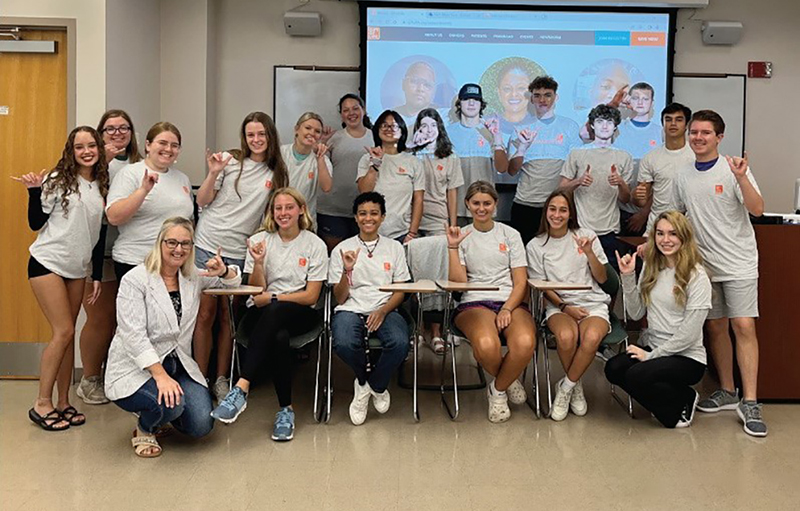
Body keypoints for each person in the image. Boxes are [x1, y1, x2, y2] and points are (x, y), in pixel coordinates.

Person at [105, 217, 241, 457]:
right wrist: (160, 377)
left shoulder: (191, 277)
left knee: (201, 425)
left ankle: (164, 412)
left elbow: (233, 282)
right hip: (139, 367)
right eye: (172, 242)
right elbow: (133, 336)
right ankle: (145, 427)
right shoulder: (135, 280)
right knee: (172, 403)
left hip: (178, 363)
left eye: (186, 244)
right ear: (160, 243)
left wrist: (225, 270)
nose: (179, 249)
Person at [674, 110, 767, 437]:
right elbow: (676, 217)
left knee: (743, 325)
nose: (698, 138)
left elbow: (757, 209)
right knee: (715, 327)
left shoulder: (734, 169)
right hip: (702, 266)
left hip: (739, 262)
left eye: (705, 133)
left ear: (719, 137)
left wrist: (742, 177)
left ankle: (750, 400)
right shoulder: (683, 175)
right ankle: (727, 390)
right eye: (694, 132)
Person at [210, 188, 327, 441]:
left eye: (289, 207)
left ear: (301, 210)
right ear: (272, 213)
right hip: (262, 314)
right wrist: (260, 262)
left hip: (300, 314)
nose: (283, 213)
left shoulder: (314, 244)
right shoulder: (260, 241)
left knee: (277, 311)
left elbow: (311, 297)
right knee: (278, 336)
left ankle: (241, 387)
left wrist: (275, 297)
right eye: (278, 208)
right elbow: (255, 290)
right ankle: (286, 410)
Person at [14, 126, 108, 431]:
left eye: (91, 145)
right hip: (47, 263)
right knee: (64, 331)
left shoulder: (101, 185)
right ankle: (42, 403)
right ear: (71, 151)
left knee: (67, 337)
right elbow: (35, 223)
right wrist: (33, 191)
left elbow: (98, 233)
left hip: (77, 268)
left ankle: (64, 401)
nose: (86, 151)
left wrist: (93, 273)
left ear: (98, 149)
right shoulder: (58, 180)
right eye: (79, 147)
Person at [193, 112, 288, 400]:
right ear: (244, 138)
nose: (256, 140)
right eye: (250, 135)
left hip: (238, 253)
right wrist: (212, 173)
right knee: (205, 314)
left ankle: (222, 378)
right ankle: (198, 380)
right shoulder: (230, 162)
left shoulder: (277, 172)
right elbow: (202, 200)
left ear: (270, 136)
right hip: (208, 244)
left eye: (262, 134)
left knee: (229, 317)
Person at [605, 211, 711, 428]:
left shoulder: (697, 276)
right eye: (660, 233)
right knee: (613, 368)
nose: (666, 240)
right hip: (654, 347)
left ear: (684, 237)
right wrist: (627, 276)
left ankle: (683, 399)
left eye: (673, 234)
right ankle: (676, 398)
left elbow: (689, 336)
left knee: (636, 376)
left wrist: (651, 356)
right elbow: (635, 313)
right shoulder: (652, 267)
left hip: (687, 356)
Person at [447, 181, 536, 423]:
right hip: (474, 303)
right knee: (487, 345)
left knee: (526, 342)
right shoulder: (462, 235)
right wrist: (453, 248)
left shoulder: (511, 235)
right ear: (467, 204)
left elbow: (520, 283)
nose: (481, 208)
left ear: (495, 205)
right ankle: (507, 381)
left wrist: (507, 308)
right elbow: (458, 282)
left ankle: (496, 389)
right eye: (476, 203)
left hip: (510, 301)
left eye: (487, 203)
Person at [77, 110, 142, 405]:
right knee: (100, 319)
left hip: (130, 252)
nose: (117, 133)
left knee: (123, 319)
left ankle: (114, 376)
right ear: (100, 134)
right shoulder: (93, 166)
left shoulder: (140, 165)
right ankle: (89, 379)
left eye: (123, 127)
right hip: (98, 253)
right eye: (110, 128)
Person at [526, 191, 610, 421]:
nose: (557, 214)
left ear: (570, 213)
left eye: (563, 209)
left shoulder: (586, 235)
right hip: (559, 306)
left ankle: (566, 387)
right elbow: (541, 287)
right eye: (552, 209)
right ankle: (577, 385)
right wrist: (565, 308)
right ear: (546, 212)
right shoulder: (536, 245)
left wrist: (590, 252)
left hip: (592, 303)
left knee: (592, 338)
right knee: (565, 337)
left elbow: (603, 278)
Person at [329, 192, 411, 426]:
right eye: (363, 213)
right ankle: (366, 382)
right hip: (350, 309)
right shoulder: (343, 249)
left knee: (400, 343)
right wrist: (348, 270)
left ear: (382, 217)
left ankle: (373, 385)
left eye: (374, 213)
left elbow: (401, 291)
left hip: (386, 309)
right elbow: (340, 297)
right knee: (344, 342)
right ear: (355, 218)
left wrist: (383, 311)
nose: (368, 218)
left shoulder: (394, 248)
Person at [106, 122, 194, 280]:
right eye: (162, 143)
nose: (168, 149)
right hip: (136, 261)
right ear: (148, 145)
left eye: (174, 145)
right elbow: (114, 217)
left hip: (172, 265)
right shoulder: (130, 173)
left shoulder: (182, 179)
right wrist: (143, 190)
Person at [408, 108, 464, 354]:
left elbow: (452, 192)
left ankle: (437, 331)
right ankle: (416, 329)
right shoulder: (410, 154)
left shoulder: (450, 156)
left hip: (437, 222)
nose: (427, 130)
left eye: (432, 125)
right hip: (410, 222)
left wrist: (451, 223)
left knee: (436, 279)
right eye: (423, 125)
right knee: (412, 278)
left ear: (440, 128)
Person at [506, 76, 581, 244]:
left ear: (556, 97)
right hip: (525, 204)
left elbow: (576, 167)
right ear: (531, 99)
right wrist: (522, 149)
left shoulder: (569, 127)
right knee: (523, 255)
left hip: (557, 206)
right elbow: (511, 170)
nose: (542, 99)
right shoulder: (520, 129)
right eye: (537, 95)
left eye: (547, 95)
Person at [559, 104, 633, 271]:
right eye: (600, 121)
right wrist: (578, 181)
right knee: (576, 274)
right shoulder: (577, 153)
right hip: (580, 228)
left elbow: (626, 199)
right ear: (592, 125)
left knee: (609, 277)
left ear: (615, 126)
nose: (605, 126)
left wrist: (620, 183)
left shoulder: (624, 156)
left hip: (610, 230)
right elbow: (561, 189)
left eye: (609, 122)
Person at [356, 110, 424, 243]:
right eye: (384, 125)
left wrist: (412, 233)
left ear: (402, 131)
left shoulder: (413, 162)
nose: (389, 129)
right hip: (371, 231)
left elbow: (418, 200)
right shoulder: (366, 159)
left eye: (394, 125)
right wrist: (375, 164)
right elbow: (364, 192)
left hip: (402, 233)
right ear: (377, 130)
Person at [317, 94, 374, 252]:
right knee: (335, 257)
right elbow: (321, 167)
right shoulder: (334, 138)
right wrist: (322, 142)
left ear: (363, 110)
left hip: (364, 211)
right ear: (341, 114)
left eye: (355, 108)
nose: (351, 113)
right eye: (346, 110)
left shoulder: (375, 137)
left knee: (360, 259)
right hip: (332, 210)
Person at [447, 83, 509, 222]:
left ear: (481, 104)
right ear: (459, 104)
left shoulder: (491, 131)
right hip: (456, 209)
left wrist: (497, 137)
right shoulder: (447, 133)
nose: (471, 103)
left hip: (484, 208)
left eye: (476, 100)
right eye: (466, 99)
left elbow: (502, 168)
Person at [634, 103, 695, 234]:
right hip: (656, 227)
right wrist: (637, 196)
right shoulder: (650, 158)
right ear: (662, 123)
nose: (673, 123)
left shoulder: (697, 156)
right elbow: (641, 201)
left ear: (687, 125)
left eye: (679, 120)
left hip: (688, 227)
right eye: (668, 119)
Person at [614, 82, 662, 237]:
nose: (640, 102)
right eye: (636, 98)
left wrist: (644, 214)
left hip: (649, 213)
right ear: (629, 101)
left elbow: (662, 180)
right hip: (618, 210)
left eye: (645, 98)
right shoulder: (617, 130)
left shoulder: (660, 133)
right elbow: (586, 133)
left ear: (652, 103)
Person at [281, 112, 332, 224]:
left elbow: (326, 187)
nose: (312, 133)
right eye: (308, 128)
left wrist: (320, 159)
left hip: (305, 220)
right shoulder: (281, 153)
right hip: (280, 216)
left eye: (317, 131)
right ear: (297, 129)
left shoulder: (322, 160)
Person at [496, 65, 535, 135]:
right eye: (507, 89)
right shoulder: (486, 125)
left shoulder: (540, 126)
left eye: (521, 88)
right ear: (499, 93)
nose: (514, 94)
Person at [394, 61, 437, 125]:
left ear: (433, 90)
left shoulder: (444, 117)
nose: (420, 89)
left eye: (427, 85)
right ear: (404, 84)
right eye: (415, 82)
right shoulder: (391, 117)